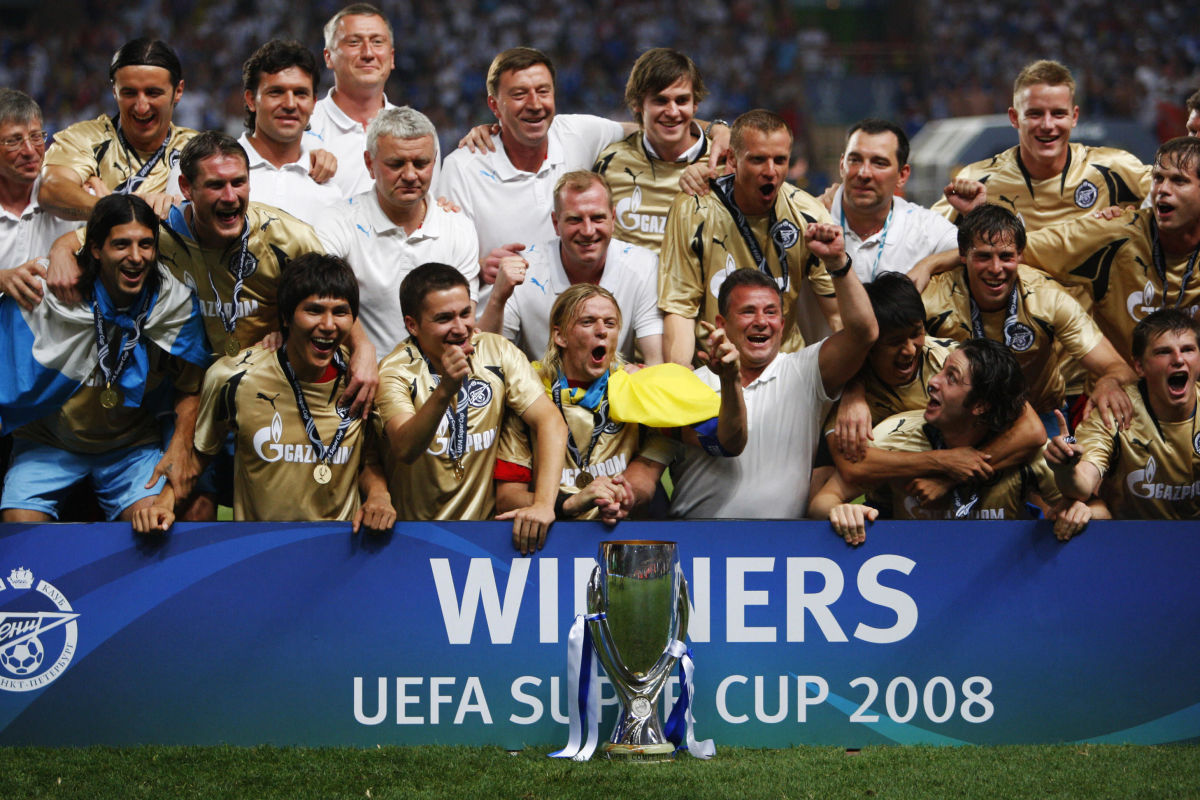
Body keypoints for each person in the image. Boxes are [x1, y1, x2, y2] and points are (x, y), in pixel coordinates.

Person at [134, 253, 394, 532]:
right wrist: (164, 502)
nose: (329, 325)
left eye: (340, 312)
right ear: (285, 317)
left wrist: (380, 496)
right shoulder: (232, 378)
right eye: (314, 310)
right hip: (259, 550)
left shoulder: (362, 383)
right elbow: (200, 456)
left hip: (338, 549)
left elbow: (368, 459)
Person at [0, 194, 209, 522]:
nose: (136, 257)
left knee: (153, 525)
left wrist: (180, 445)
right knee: (21, 529)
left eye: (146, 245)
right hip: (49, 444)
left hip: (131, 448)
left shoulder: (173, 304)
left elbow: (191, 385)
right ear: (96, 249)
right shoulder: (50, 291)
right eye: (122, 245)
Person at [668, 221, 878, 519]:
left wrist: (837, 264)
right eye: (747, 311)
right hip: (698, 551)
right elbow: (729, 442)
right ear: (721, 324)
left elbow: (863, 334)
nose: (761, 321)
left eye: (770, 312)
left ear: (782, 323)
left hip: (780, 553)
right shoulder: (689, 385)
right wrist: (729, 380)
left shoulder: (804, 372)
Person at [494, 284, 745, 522]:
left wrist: (731, 380)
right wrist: (571, 502)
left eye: (610, 323)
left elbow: (728, 443)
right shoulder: (529, 392)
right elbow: (507, 499)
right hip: (547, 543)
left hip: (619, 539)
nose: (602, 330)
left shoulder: (640, 388)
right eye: (588, 321)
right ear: (559, 336)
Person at [375, 263, 567, 554]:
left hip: (485, 539)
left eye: (465, 313)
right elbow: (405, 448)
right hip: (411, 540)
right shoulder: (395, 371)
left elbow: (550, 422)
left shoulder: (497, 351)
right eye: (444, 318)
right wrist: (445, 391)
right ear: (412, 325)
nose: (461, 327)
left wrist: (542, 503)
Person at [811, 339, 1070, 543]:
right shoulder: (892, 436)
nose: (933, 381)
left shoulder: (1028, 453)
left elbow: (1094, 509)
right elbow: (822, 502)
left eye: (952, 378)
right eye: (942, 369)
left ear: (980, 405)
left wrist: (1079, 513)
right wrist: (840, 511)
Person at [439, 47, 633, 302]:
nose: (535, 104)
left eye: (543, 91)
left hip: (577, 323)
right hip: (498, 331)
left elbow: (655, 128)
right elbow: (440, 266)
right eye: (519, 94)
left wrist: (705, 137)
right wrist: (478, 266)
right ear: (494, 105)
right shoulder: (462, 169)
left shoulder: (578, 133)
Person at [922, 204, 1136, 431]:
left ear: (1020, 255)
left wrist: (1110, 381)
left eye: (1006, 257)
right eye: (984, 257)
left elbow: (1119, 367)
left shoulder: (1048, 297)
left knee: (1069, 456)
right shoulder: (933, 299)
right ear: (963, 255)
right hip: (961, 419)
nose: (996, 268)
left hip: (1044, 415)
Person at [659, 109, 838, 366]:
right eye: (757, 160)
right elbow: (679, 309)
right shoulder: (693, 209)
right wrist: (681, 382)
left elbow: (837, 316)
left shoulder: (809, 214)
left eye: (780, 160)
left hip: (785, 366)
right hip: (715, 365)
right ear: (732, 158)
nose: (770, 171)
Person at [1020, 136, 1200, 366]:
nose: (1163, 190)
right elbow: (1011, 252)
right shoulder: (1111, 234)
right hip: (1120, 393)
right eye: (1158, 179)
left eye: (1179, 181)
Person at [318, 106, 479, 356]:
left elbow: (464, 325)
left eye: (421, 163)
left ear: (434, 162)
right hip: (361, 381)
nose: (410, 175)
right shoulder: (337, 221)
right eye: (396, 164)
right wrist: (361, 346)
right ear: (369, 164)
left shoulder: (459, 228)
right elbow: (318, 293)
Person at [929, 60, 1150, 230]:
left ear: (1074, 117)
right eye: (1035, 114)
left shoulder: (1114, 168)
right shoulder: (978, 182)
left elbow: (1176, 198)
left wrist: (1133, 219)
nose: (1047, 125)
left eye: (1058, 114)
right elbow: (927, 240)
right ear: (1014, 118)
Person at [478, 171, 663, 364]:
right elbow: (484, 360)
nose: (588, 231)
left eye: (598, 218)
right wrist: (497, 298)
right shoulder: (525, 268)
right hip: (538, 389)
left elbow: (656, 362)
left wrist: (640, 376)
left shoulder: (643, 265)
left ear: (613, 218)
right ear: (556, 223)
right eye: (575, 219)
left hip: (616, 388)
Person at [1046, 309, 1200, 528]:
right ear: (1139, 366)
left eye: (1188, 350)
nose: (1178, 359)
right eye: (1163, 352)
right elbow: (1082, 486)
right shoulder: (1114, 411)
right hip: (1128, 539)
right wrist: (1064, 468)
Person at [38, 38, 197, 221]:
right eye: (129, 93)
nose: (141, 107)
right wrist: (122, 209)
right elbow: (50, 190)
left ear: (178, 91)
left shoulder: (196, 150)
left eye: (153, 93)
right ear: (114, 91)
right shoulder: (84, 139)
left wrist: (102, 202)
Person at [593, 47, 721, 253]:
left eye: (682, 100)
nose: (672, 112)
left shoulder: (722, 163)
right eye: (660, 100)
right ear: (637, 104)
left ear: (695, 104)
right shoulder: (609, 163)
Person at [309, 3, 439, 198]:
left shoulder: (420, 132)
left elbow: (430, 208)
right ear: (328, 57)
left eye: (377, 42)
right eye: (354, 42)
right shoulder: (303, 127)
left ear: (391, 57)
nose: (368, 53)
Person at [824, 118, 962, 283]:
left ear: (902, 175)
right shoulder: (811, 218)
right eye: (855, 160)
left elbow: (970, 251)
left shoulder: (922, 227)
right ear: (841, 165)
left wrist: (929, 264)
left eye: (879, 163)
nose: (864, 173)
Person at [238, 39, 342, 226]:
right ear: (251, 100)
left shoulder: (330, 192)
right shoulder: (215, 169)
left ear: (313, 103)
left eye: (301, 93)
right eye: (276, 92)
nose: (290, 104)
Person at [0, 89, 76, 301]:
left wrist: (66, 245)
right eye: (14, 141)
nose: (30, 150)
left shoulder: (69, 195)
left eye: (36, 137)